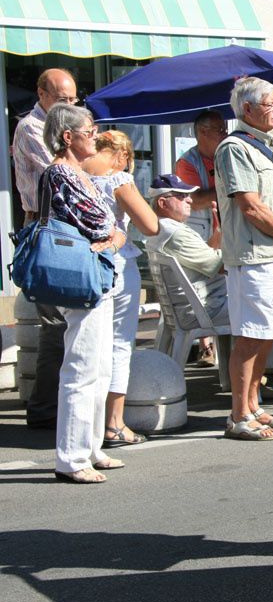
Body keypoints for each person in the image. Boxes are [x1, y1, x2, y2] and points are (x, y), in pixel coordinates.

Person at [214, 76, 273, 441]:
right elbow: (251, 207)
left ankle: (254, 405)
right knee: (251, 336)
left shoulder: (269, 145)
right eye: (270, 104)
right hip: (255, 256)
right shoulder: (234, 148)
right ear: (248, 109)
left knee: (269, 334)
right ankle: (238, 414)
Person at [40, 104, 130, 483]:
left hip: (98, 274)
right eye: (89, 131)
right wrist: (116, 233)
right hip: (81, 276)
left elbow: (112, 228)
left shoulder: (78, 172)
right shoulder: (61, 173)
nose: (95, 135)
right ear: (68, 137)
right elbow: (101, 223)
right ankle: (72, 457)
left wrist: (116, 233)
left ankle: (91, 447)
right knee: (81, 365)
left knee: (99, 365)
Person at [82, 130, 160, 448]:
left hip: (82, 263)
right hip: (116, 264)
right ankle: (114, 423)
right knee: (118, 344)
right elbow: (150, 224)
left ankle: (87, 421)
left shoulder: (77, 172)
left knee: (88, 345)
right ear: (123, 155)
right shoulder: (117, 179)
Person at [12, 68, 77, 430]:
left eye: (72, 99)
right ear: (41, 95)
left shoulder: (63, 127)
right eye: (61, 99)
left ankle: (60, 404)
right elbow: (63, 173)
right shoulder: (31, 129)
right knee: (55, 323)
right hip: (45, 230)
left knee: (69, 321)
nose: (68, 106)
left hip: (65, 230)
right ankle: (44, 410)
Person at [144, 174, 229, 332]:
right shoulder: (175, 234)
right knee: (271, 309)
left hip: (195, 308)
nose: (189, 199)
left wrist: (219, 232)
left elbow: (203, 256)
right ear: (162, 203)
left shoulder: (161, 229)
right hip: (207, 309)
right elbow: (221, 266)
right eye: (181, 196)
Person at [176, 109, 227, 366]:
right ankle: (207, 347)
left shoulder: (226, 156)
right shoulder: (187, 162)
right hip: (203, 236)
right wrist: (229, 189)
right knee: (212, 283)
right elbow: (193, 200)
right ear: (203, 132)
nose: (225, 133)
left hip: (223, 235)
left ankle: (216, 352)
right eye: (220, 129)